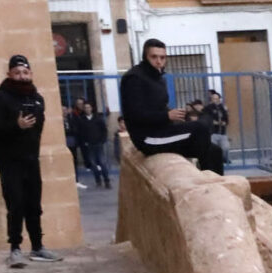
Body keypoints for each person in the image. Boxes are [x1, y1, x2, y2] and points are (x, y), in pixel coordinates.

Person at [0, 55, 55, 269]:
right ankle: (15, 248)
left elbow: (38, 127)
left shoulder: (37, 99)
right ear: (9, 74)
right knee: (16, 203)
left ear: (30, 74)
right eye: (17, 73)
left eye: (25, 73)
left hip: (31, 158)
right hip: (9, 160)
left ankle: (37, 246)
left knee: (34, 203)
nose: (21, 77)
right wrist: (17, 126)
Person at [119, 40, 223, 171]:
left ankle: (215, 184)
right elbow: (135, 115)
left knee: (215, 150)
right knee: (199, 129)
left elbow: (158, 107)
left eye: (162, 57)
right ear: (145, 57)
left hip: (163, 130)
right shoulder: (134, 78)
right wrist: (167, 116)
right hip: (149, 138)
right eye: (154, 57)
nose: (158, 61)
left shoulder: (157, 78)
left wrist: (176, 116)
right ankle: (207, 182)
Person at [77, 98, 110, 188]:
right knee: (93, 164)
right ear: (84, 109)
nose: (87, 109)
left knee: (102, 163)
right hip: (89, 145)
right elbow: (80, 132)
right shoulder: (82, 120)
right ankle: (98, 180)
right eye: (86, 107)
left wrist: (103, 140)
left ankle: (107, 180)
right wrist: (84, 142)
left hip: (98, 144)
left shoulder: (97, 118)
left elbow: (104, 130)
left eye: (89, 107)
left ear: (92, 108)